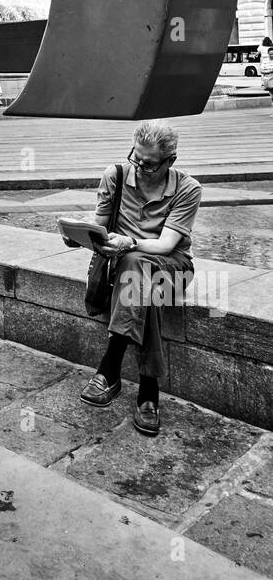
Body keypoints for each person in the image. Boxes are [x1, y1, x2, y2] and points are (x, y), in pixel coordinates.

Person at [79, 120, 202, 437]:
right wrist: (81, 236)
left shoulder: (188, 189)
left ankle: (110, 366)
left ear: (170, 161)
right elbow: (101, 228)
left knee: (137, 263)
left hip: (172, 265)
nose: (139, 167)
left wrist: (129, 243)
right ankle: (148, 390)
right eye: (136, 158)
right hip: (128, 266)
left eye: (149, 164)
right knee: (139, 274)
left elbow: (165, 246)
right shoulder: (116, 176)